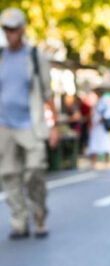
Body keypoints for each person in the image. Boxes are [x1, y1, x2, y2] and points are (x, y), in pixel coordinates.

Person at [0, 8, 59, 239]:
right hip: (4, 126)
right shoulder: (1, 56)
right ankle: (19, 222)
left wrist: (54, 126)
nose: (9, 33)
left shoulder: (35, 56)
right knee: (9, 174)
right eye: (6, 29)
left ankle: (39, 213)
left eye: (13, 28)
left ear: (22, 29)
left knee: (35, 170)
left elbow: (48, 93)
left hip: (31, 125)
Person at [87, 89, 110, 169]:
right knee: (95, 144)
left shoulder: (104, 102)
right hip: (97, 126)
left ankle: (106, 160)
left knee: (105, 143)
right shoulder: (99, 102)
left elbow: (109, 112)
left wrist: (103, 119)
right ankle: (94, 161)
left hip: (102, 126)